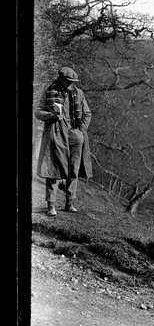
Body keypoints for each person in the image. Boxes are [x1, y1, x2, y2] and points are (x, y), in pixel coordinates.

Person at [35, 66, 92, 216]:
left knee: (74, 169)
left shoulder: (78, 93)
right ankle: (51, 206)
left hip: (75, 134)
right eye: (68, 81)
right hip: (56, 134)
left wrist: (82, 129)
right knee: (52, 169)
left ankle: (69, 203)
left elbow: (87, 113)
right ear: (60, 78)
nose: (70, 84)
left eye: (72, 81)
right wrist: (52, 116)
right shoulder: (49, 91)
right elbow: (38, 111)